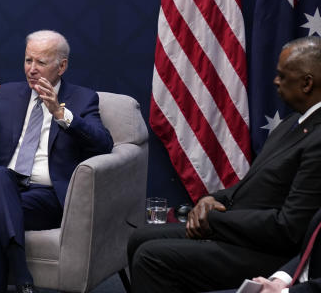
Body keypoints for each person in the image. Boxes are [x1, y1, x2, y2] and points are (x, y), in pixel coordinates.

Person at [128, 36, 321, 293]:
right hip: (243, 233)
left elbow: (289, 228)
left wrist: (216, 219)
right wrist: (211, 199)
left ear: (306, 83)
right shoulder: (292, 123)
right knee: (139, 238)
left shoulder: (318, 139)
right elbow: (252, 186)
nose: (275, 81)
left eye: (282, 76)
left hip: (270, 252)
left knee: (152, 258)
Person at [0, 29, 114, 293]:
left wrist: (61, 113)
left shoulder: (83, 99)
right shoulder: (7, 94)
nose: (32, 69)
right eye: (28, 60)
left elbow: (103, 144)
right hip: (5, 185)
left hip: (47, 197)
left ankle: (2, 283)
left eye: (41, 62)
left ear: (62, 66)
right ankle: (21, 275)